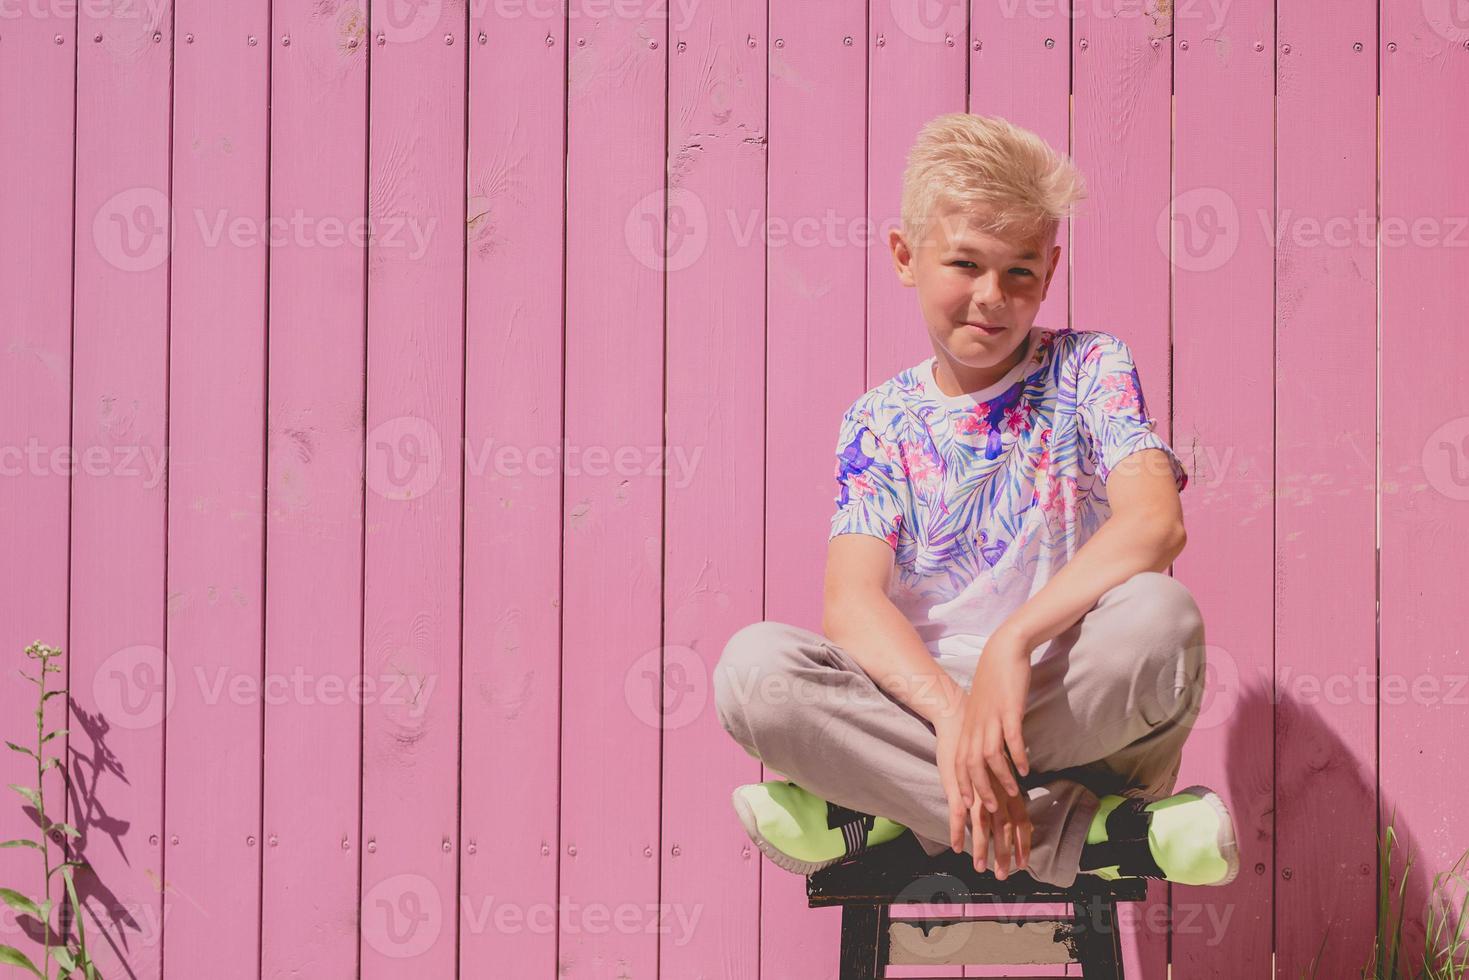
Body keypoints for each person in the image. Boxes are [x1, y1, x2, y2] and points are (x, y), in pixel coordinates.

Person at [712, 112, 1238, 889]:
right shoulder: (878, 421)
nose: (992, 297)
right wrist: (953, 717)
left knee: (1162, 621)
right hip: (924, 715)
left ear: (1049, 271)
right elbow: (851, 605)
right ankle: (1091, 834)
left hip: (1064, 705)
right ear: (905, 255)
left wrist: (1012, 645)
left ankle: (888, 809)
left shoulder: (1090, 365)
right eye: (964, 263)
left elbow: (1155, 523)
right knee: (753, 671)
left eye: (1019, 271)